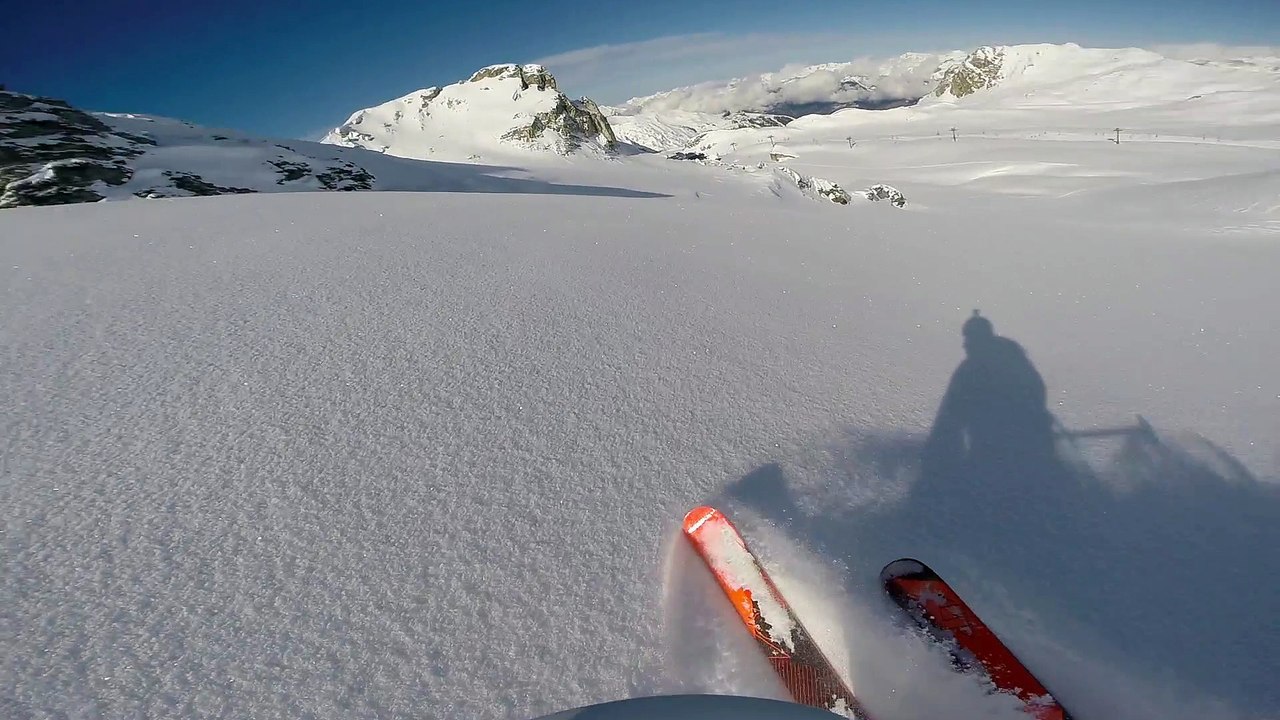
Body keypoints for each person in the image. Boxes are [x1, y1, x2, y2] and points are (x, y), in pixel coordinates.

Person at [922, 311, 1055, 480]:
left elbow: (1035, 394)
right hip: (1000, 446)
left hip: (1013, 449)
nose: (965, 345)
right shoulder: (972, 370)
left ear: (982, 339)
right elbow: (950, 416)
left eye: (970, 339)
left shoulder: (1006, 363)